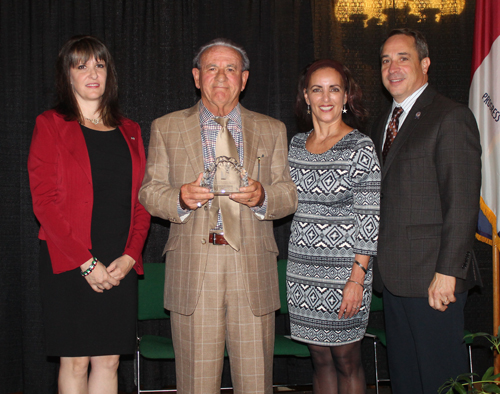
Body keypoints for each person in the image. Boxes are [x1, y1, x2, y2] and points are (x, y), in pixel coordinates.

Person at [138, 38, 297, 394]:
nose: (221, 76)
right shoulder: (167, 127)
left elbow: (288, 195)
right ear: (197, 77)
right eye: (211, 68)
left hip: (252, 265)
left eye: (231, 69)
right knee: (197, 384)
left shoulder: (272, 129)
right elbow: (149, 191)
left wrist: (263, 196)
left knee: (256, 383)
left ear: (244, 79)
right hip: (195, 267)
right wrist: (179, 196)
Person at [27, 35, 151, 394]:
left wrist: (130, 256)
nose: (92, 73)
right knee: (76, 360)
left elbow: (142, 201)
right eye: (81, 66)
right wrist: (85, 262)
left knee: (110, 360)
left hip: (118, 261)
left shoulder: (130, 130)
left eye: (99, 64)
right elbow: (44, 203)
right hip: (69, 259)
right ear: (67, 76)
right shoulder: (50, 124)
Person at [370, 28, 482, 394]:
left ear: (425, 64)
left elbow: (462, 203)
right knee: (406, 380)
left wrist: (448, 271)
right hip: (396, 278)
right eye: (386, 60)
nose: (393, 67)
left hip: (434, 280)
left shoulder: (450, 117)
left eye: (403, 57)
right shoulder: (384, 122)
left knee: (439, 381)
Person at [287, 59, 381, 394]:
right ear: (306, 96)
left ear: (345, 97)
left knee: (346, 360)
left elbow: (370, 220)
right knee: (320, 359)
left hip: (346, 274)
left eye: (334, 89)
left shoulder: (360, 147)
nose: (326, 97)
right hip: (302, 272)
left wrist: (357, 279)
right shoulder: (295, 145)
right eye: (317, 89)